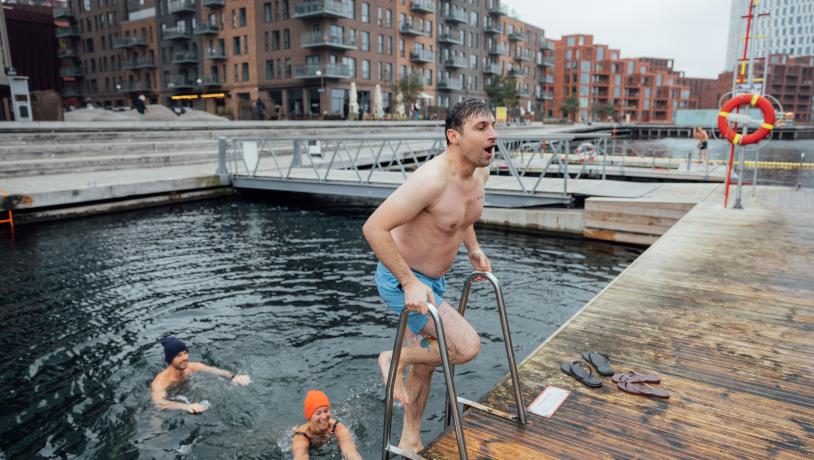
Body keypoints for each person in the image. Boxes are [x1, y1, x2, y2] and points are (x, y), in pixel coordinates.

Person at [362, 99, 494, 454]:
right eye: (481, 128)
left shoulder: (480, 172)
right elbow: (374, 227)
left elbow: (461, 218)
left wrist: (473, 249)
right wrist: (408, 282)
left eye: (493, 126)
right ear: (454, 136)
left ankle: (409, 438)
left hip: (434, 282)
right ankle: (395, 358)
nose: (493, 135)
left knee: (430, 362)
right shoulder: (431, 180)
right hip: (401, 279)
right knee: (465, 347)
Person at [150, 336, 251, 414]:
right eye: (179, 355)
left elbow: (214, 370)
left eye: (185, 353)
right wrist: (186, 406)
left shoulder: (192, 367)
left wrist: (234, 377)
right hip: (171, 399)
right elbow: (159, 403)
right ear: (170, 359)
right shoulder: (161, 382)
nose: (185, 357)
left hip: (185, 392)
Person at [291, 390, 361, 460]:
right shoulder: (302, 437)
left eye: (326, 411)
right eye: (318, 413)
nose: (324, 416)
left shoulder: (337, 428)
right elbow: (300, 456)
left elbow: (350, 452)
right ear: (310, 418)